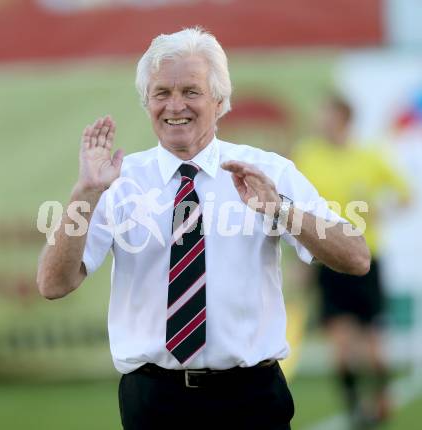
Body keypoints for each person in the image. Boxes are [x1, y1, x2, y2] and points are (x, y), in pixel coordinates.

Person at [37, 29, 370, 430]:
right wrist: (85, 191)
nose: (175, 105)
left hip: (251, 398)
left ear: (220, 101)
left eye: (191, 91)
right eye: (161, 93)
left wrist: (279, 209)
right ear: (146, 103)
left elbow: (356, 257)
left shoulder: (268, 171)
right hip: (153, 401)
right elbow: (53, 283)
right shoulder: (116, 181)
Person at [293, 95, 410, 428]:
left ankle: (383, 397)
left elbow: (405, 195)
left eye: (327, 115)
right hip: (326, 261)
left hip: (365, 258)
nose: (320, 122)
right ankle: (357, 409)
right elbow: (298, 210)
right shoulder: (307, 156)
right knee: (341, 345)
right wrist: (300, 261)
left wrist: (380, 213)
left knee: (374, 346)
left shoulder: (369, 156)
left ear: (344, 119)